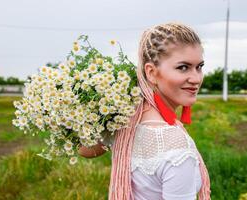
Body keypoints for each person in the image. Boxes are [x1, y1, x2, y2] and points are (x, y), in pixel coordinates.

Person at [78, 22, 211, 200]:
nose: (196, 78)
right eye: (183, 67)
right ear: (151, 72)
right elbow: (86, 150)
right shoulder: (176, 148)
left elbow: (85, 150)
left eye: (199, 67)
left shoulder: (125, 119)